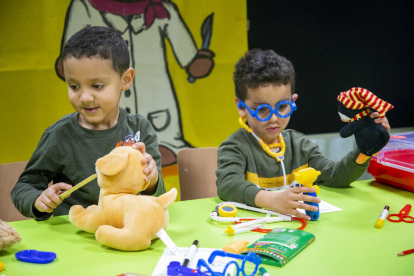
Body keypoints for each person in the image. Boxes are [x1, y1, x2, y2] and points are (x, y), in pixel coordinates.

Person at [11, 26, 165, 221]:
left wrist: (151, 179)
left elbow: (158, 193)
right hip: (75, 233)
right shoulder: (59, 135)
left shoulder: (141, 129)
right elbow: (24, 187)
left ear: (125, 80)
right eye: (74, 86)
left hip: (128, 229)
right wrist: (38, 200)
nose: (84, 97)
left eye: (97, 86)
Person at [216, 49, 391, 221]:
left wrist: (365, 150)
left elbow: (337, 176)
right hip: (253, 233)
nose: (274, 118)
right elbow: (228, 184)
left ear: (293, 101)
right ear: (241, 107)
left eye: (282, 106)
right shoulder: (235, 146)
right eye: (262, 109)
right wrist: (272, 199)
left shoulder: (299, 144)